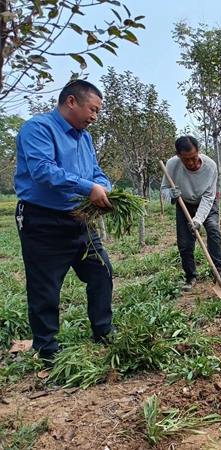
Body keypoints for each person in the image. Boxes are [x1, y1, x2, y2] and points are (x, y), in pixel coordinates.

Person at [14, 80, 115, 368]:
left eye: (98, 112)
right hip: (43, 220)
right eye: (92, 109)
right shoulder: (38, 128)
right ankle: (47, 349)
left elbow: (95, 172)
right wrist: (88, 188)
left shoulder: (86, 138)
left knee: (101, 272)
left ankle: (103, 331)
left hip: (80, 220)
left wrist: (104, 188)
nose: (94, 116)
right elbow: (43, 171)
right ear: (71, 101)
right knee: (45, 287)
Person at [160, 136, 221, 291]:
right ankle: (190, 277)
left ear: (198, 152)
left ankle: (219, 270)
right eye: (186, 159)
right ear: (178, 156)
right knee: (185, 243)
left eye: (194, 157)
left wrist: (198, 220)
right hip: (183, 203)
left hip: (206, 202)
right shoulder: (172, 165)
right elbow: (164, 188)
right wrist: (170, 194)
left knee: (213, 229)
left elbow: (208, 196)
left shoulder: (210, 166)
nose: (192, 163)